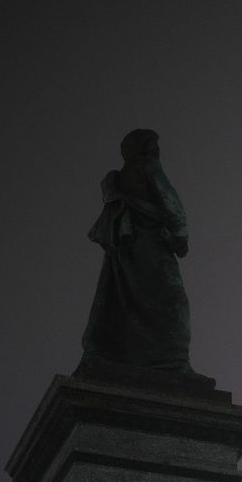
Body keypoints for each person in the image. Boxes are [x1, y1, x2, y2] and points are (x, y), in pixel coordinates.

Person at [80, 128, 201, 376]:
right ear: (144, 149)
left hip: (124, 252)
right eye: (153, 146)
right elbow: (171, 203)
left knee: (126, 304)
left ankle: (127, 357)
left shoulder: (114, 181)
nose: (157, 151)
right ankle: (175, 362)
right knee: (172, 303)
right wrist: (180, 237)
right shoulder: (147, 166)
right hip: (152, 245)